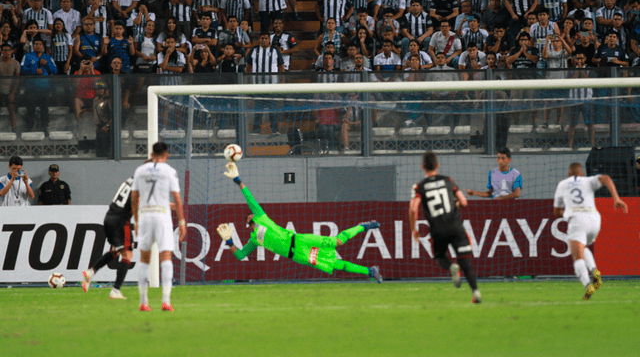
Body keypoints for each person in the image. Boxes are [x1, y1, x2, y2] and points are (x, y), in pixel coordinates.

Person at [217, 162, 383, 283]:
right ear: (248, 224)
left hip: (299, 240)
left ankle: (363, 226)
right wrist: (229, 241)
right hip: (298, 255)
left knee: (337, 242)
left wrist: (237, 180)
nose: (250, 216)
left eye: (250, 215)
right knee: (334, 264)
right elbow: (240, 256)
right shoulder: (254, 239)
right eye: (248, 218)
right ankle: (370, 271)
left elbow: (249, 197)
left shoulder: (260, 216)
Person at [409, 152, 481, 304]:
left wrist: (414, 229)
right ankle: (476, 292)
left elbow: (413, 208)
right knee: (465, 260)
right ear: (438, 165)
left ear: (422, 167)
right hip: (456, 226)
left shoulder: (419, 186)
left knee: (440, 256)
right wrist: (454, 207)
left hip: (438, 229)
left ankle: (451, 266)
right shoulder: (448, 180)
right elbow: (463, 202)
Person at [552, 162, 628, 300]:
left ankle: (588, 286)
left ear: (569, 174)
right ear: (582, 173)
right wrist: (616, 198)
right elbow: (606, 178)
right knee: (583, 246)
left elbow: (556, 211)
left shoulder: (562, 184)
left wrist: (565, 212)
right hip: (594, 219)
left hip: (577, 219)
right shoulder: (588, 180)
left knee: (577, 256)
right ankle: (594, 271)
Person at [132, 142, 188, 312]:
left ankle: (144, 302)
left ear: (151, 152)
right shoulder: (169, 171)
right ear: (166, 153)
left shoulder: (140, 171)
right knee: (166, 256)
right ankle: (166, 301)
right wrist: (181, 221)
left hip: (146, 216)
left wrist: (136, 220)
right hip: (162, 215)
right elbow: (177, 198)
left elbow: (134, 197)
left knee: (144, 258)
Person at [82, 176, 136, 300]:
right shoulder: (141, 184)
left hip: (109, 217)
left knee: (115, 251)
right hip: (121, 221)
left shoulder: (130, 180)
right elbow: (136, 203)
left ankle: (91, 271)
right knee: (127, 255)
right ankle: (116, 290)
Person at [0, 42, 19, 132]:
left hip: (10, 91)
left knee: (11, 108)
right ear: (1, 51)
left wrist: (12, 93)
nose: (6, 52)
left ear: (11, 51)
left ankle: (14, 130)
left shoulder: (15, 63)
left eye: (8, 50)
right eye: (4, 50)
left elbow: (17, 80)